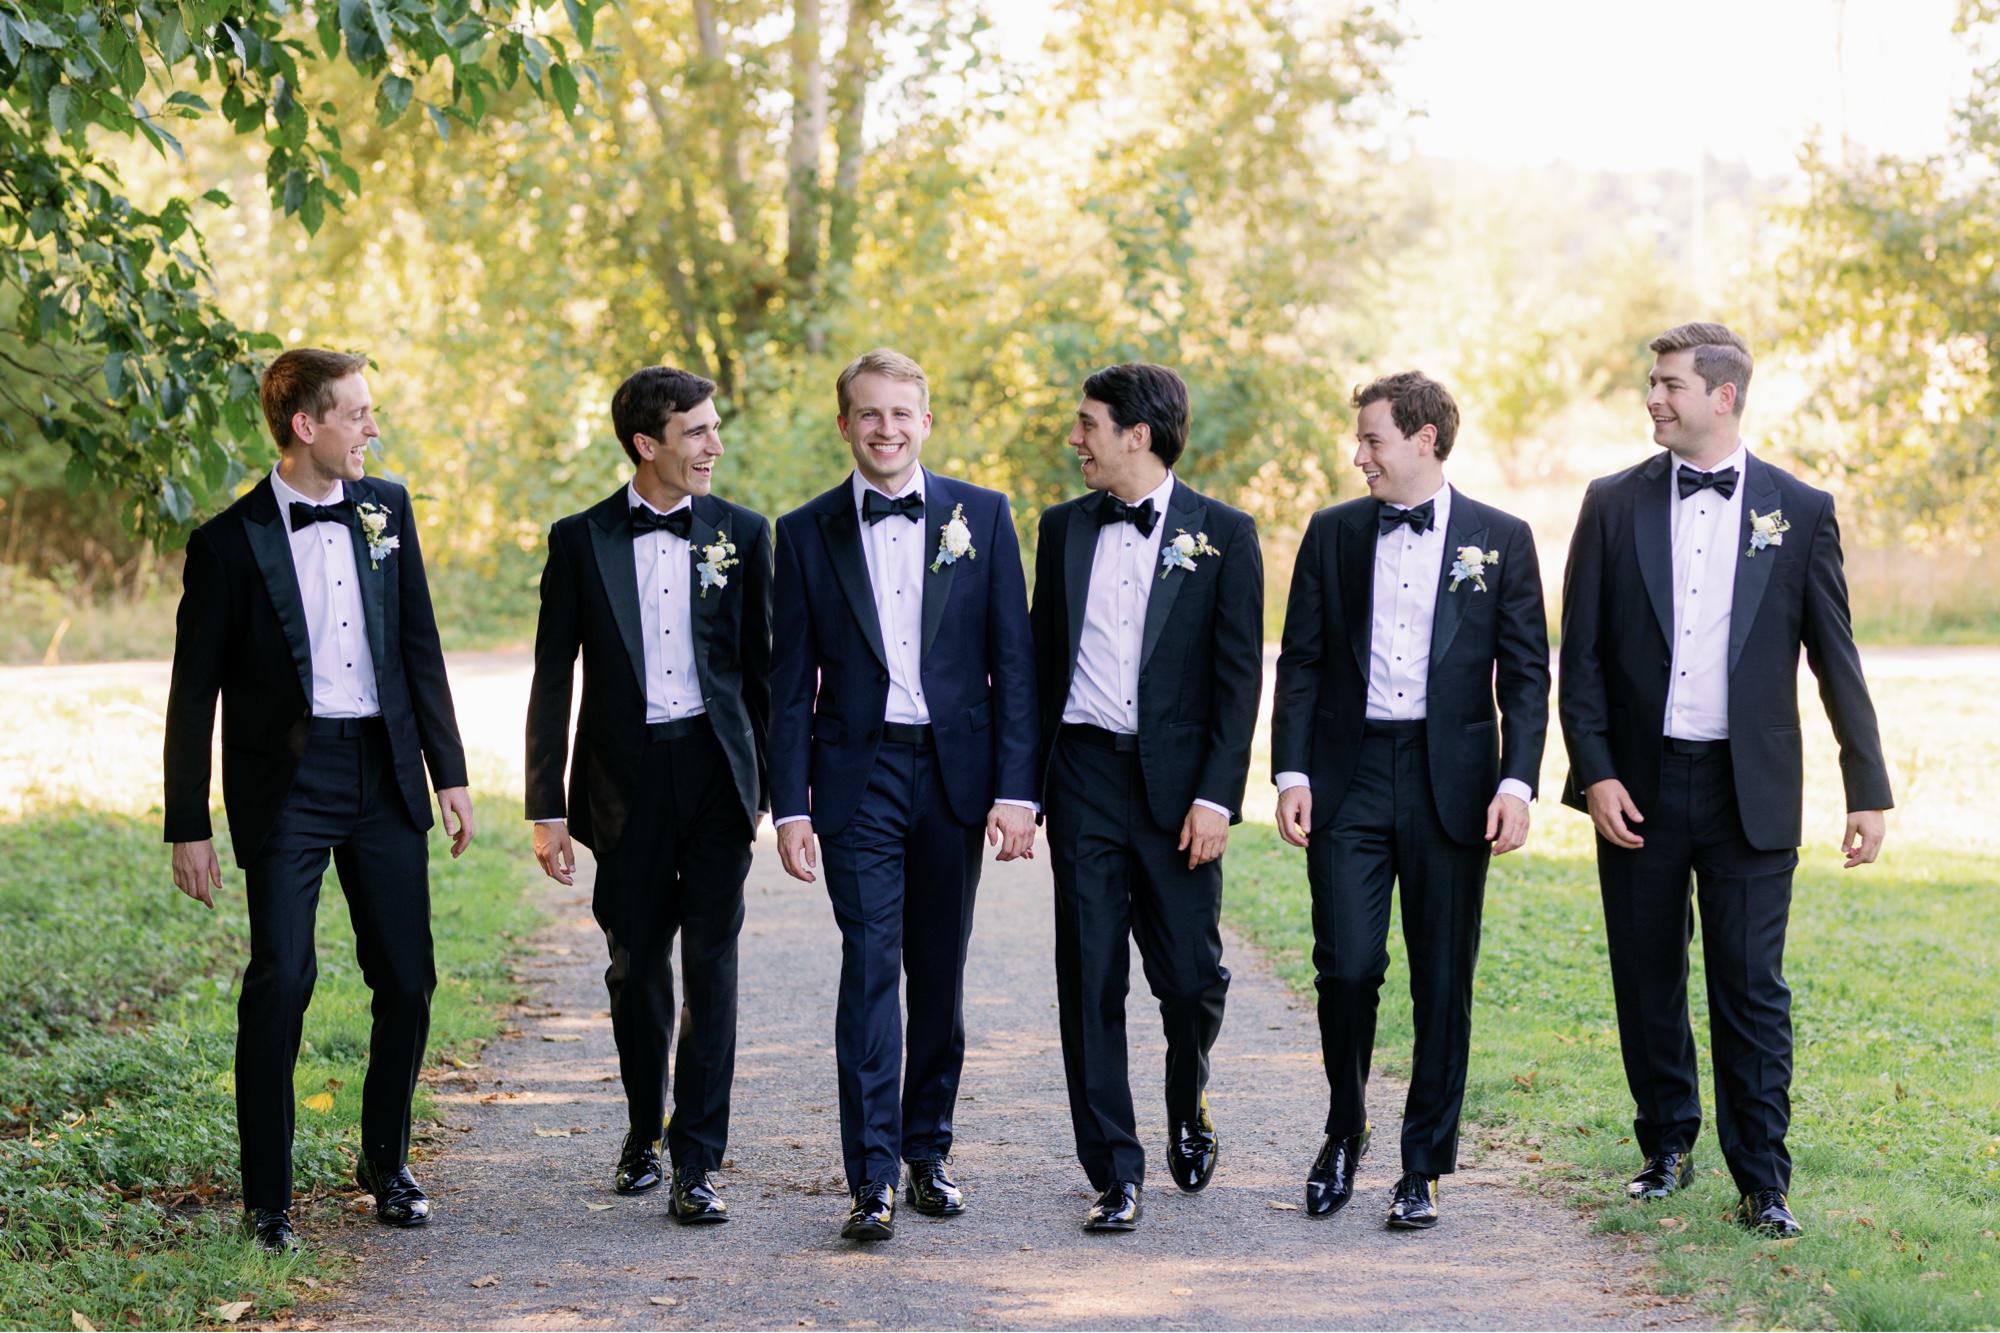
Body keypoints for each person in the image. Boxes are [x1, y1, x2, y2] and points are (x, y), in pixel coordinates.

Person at [1559, 322, 1893, 1238]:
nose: (1654, 398)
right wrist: (1596, 774)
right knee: (1647, 974)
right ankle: (1665, 1144)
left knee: (1751, 986)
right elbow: (1579, 658)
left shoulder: (1801, 507)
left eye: (1670, 384)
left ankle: (1764, 1180)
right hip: (1639, 786)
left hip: (1751, 791)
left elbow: (1836, 654)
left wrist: (1867, 786)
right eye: (1653, 383)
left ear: (1723, 396)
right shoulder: (1612, 502)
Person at [164, 348, 474, 1253]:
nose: (373, 427)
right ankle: (268, 1199)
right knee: (282, 980)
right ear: (306, 426)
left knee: (408, 979)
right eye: (359, 413)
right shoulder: (226, 542)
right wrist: (189, 823)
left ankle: (388, 1164)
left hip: (382, 772)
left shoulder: (389, 509)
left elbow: (421, 645)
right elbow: (193, 693)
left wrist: (447, 773)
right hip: (285, 786)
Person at [768, 348, 1039, 1241]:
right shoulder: (803, 532)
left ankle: (929, 1150)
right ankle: (871, 1175)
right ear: (843, 424)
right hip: (857, 776)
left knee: (941, 968)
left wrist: (1015, 790)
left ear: (926, 422)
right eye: (869, 414)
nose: (886, 429)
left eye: (902, 414)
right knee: (871, 965)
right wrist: (793, 804)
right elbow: (786, 682)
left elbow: (1015, 667)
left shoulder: (986, 517)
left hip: (956, 777)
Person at [1270, 371, 1549, 1229]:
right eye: (1359, 442)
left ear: (1425, 440)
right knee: (1347, 966)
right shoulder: (1332, 533)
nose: (1359, 457)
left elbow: (1529, 674)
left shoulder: (1501, 537)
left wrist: (1516, 781)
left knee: (1442, 979)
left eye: (1373, 441)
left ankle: (1423, 1164)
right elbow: (1304, 663)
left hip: (1453, 786)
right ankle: (1344, 1125)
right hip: (1348, 778)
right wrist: (1291, 773)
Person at [524, 365, 771, 1225]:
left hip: (714, 779)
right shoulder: (579, 539)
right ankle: (643, 1127)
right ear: (647, 444)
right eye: (697, 431)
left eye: (713, 428)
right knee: (636, 969)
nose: (714, 445)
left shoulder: (742, 532)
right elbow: (553, 676)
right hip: (621, 786)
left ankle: (697, 1159)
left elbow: (761, 673)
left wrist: (774, 790)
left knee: (713, 964)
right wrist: (545, 806)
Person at [1028, 363, 1263, 1233]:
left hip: (1178, 793)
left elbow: (1239, 684)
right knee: (1088, 977)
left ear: (1138, 434)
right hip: (1084, 776)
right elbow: (1038, 665)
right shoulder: (1060, 531)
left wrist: (1216, 797)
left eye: (1087, 424)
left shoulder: (1226, 535)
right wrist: (1025, 789)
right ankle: (1113, 1169)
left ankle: (1186, 1097)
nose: (1074, 439)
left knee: (1192, 979)